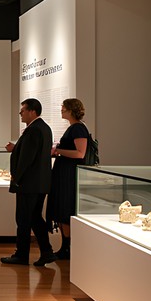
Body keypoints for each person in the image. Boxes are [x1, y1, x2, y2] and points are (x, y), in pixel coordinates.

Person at [1, 98, 55, 267]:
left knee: (24, 219)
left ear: (32, 111)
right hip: (39, 183)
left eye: (23, 110)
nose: (20, 113)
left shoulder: (34, 130)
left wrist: (16, 177)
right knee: (35, 217)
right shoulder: (44, 128)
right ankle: (46, 252)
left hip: (29, 183)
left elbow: (27, 158)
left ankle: (22, 255)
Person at [46, 98, 91, 261]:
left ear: (71, 110)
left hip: (69, 174)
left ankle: (67, 248)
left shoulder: (78, 128)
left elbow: (80, 153)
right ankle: (65, 247)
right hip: (65, 173)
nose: (61, 110)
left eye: (63, 108)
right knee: (62, 208)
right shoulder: (74, 127)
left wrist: (58, 151)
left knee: (65, 209)